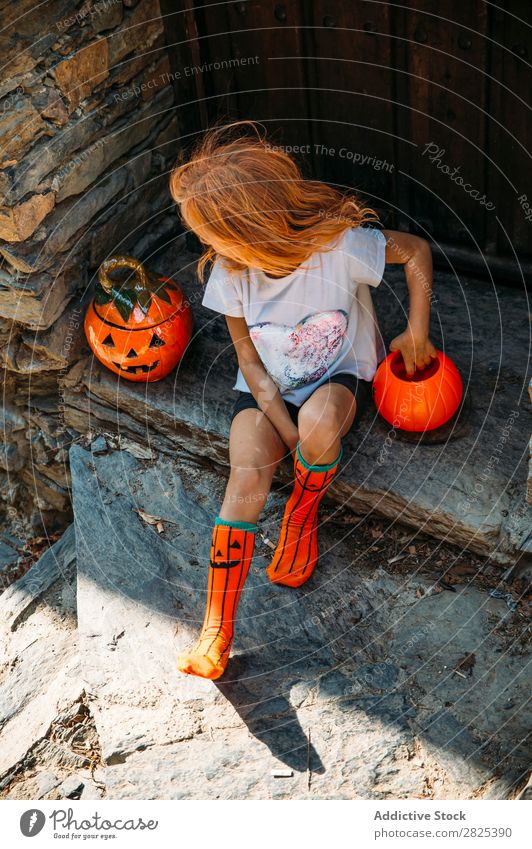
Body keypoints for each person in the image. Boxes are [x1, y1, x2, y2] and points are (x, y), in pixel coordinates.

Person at [169, 121, 437, 680]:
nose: (206, 247)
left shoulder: (340, 246)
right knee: (245, 478)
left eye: (211, 234)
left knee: (319, 420)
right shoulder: (232, 272)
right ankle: (216, 629)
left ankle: (303, 512)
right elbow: (249, 362)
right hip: (265, 388)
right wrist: (284, 438)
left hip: (336, 376)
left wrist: (416, 330)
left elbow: (414, 252)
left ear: (249, 228)